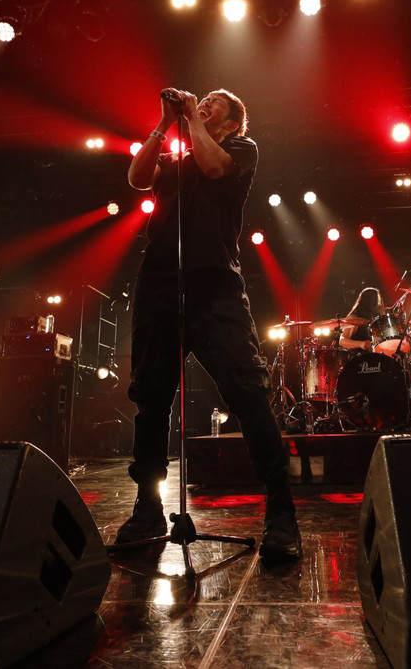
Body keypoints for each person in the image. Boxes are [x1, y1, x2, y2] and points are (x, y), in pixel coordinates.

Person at [114, 87, 300, 559]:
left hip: (215, 286)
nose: (204, 102)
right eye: (203, 100)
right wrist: (163, 123)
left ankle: (281, 511)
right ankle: (147, 508)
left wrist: (193, 120)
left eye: (216, 101)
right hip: (159, 284)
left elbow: (214, 168)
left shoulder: (240, 149)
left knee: (247, 392)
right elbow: (137, 177)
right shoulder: (173, 162)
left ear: (232, 122)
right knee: (150, 399)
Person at [338, 287, 385, 351]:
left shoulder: (374, 319)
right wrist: (360, 344)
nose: (379, 304)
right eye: (378, 301)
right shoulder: (354, 318)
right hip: (357, 355)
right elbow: (342, 341)